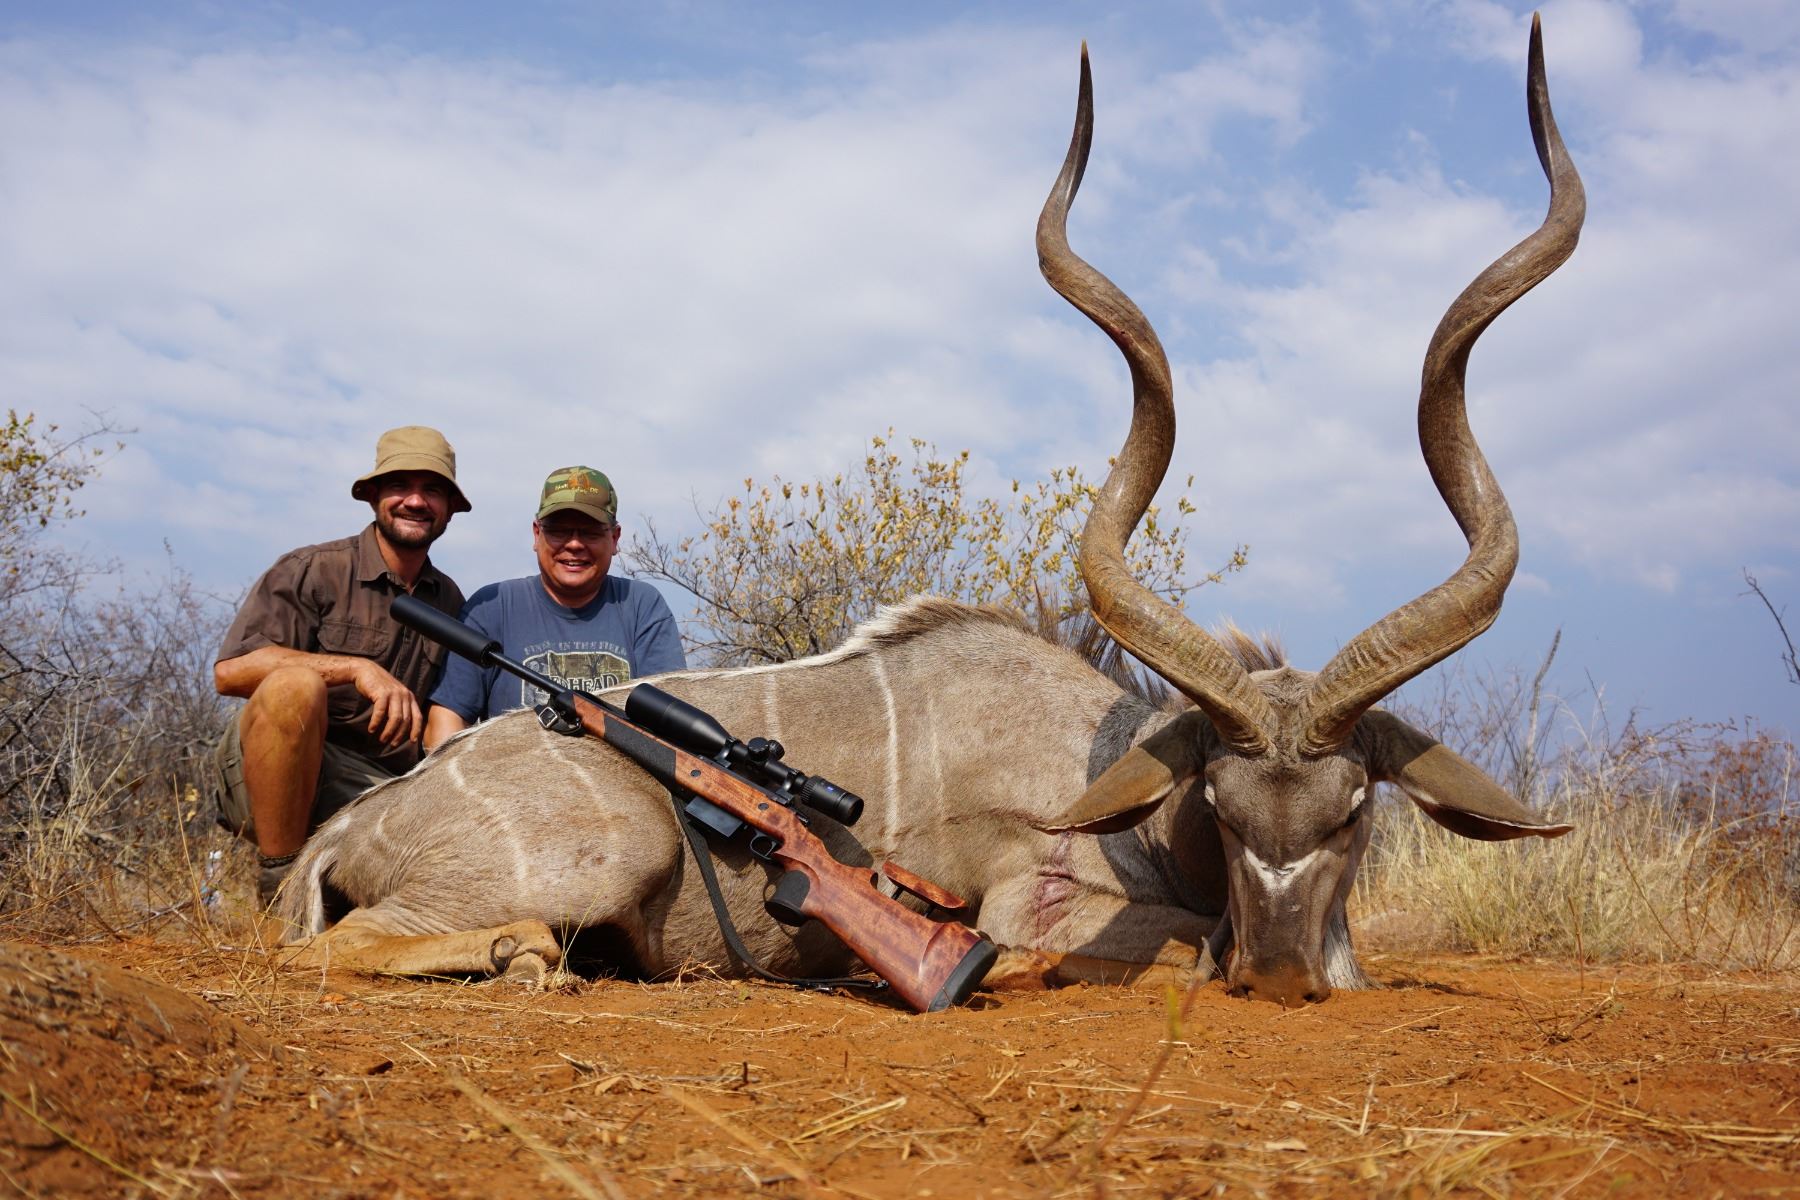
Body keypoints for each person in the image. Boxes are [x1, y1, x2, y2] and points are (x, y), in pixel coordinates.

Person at [212, 426, 469, 903]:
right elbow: (231, 672)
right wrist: (355, 668)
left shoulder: (451, 601)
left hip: (379, 791)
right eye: (400, 485)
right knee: (293, 687)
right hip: (274, 775)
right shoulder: (313, 568)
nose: (416, 501)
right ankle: (281, 885)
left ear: (451, 508)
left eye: (432, 490)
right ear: (372, 496)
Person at [424, 465, 685, 750]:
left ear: (614, 538)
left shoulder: (642, 606)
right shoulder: (491, 607)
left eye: (590, 533)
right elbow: (446, 721)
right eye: (558, 531)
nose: (574, 544)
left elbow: (671, 724)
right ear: (537, 534)